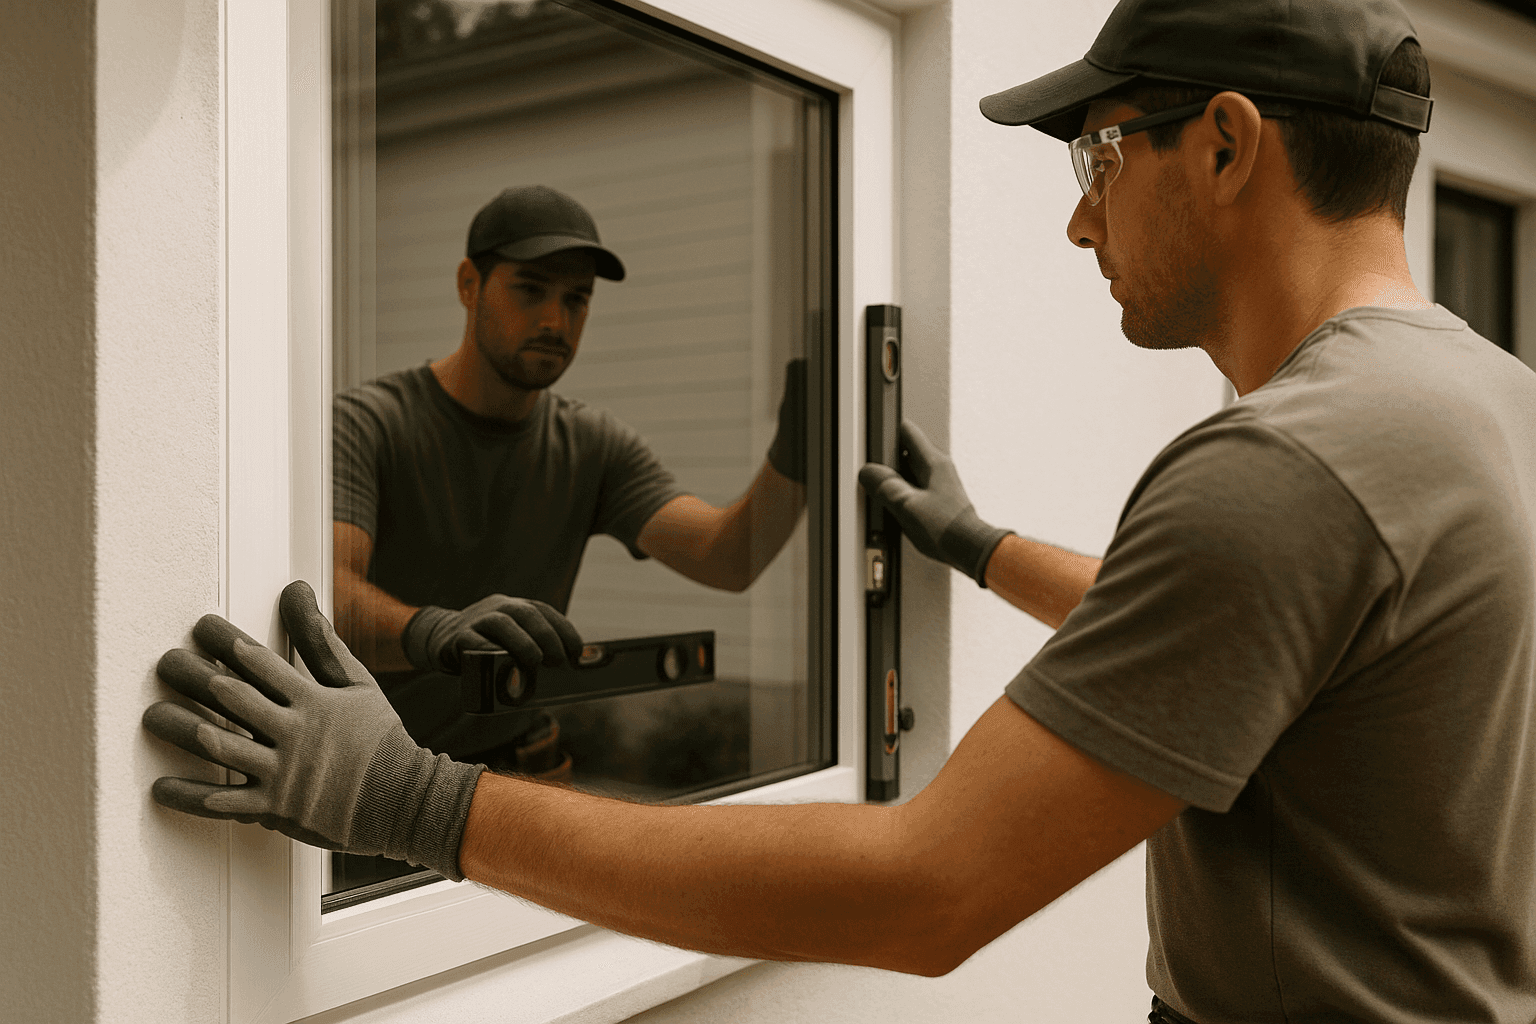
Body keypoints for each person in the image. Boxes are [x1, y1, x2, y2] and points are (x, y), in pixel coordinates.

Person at [144, 1, 1536, 1020]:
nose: (1078, 222)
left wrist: (408, 798)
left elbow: (924, 889)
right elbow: (1242, 631)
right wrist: (970, 543)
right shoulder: (1482, 403)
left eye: (1097, 157)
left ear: (1227, 146)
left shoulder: (1283, 464)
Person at [331, 184, 807, 774]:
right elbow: (328, 593)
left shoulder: (590, 443)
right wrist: (433, 632)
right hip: (377, 780)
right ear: (468, 285)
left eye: (577, 299)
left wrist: (800, 446)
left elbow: (728, 556)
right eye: (530, 291)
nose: (556, 321)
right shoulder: (369, 423)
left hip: (522, 774)